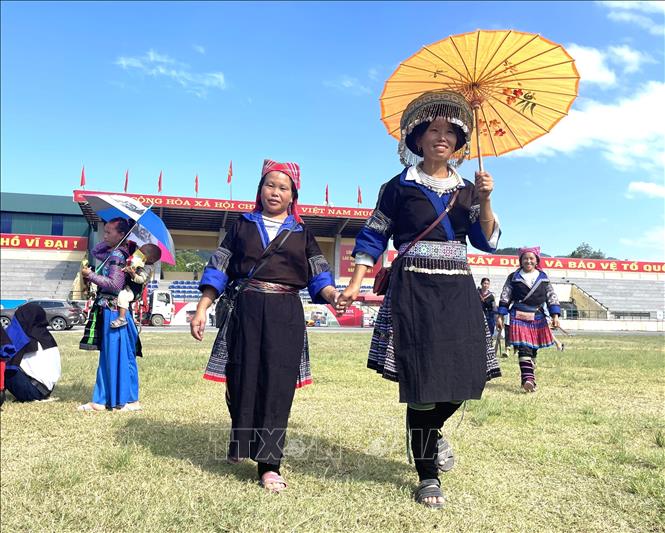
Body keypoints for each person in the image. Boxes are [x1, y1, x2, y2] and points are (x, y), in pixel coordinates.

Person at [337, 90, 502, 509]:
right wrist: (356, 281)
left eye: (449, 131)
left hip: (458, 290)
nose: (441, 137)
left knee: (466, 376)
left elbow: (486, 241)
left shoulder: (468, 190)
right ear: (417, 139)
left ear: (460, 144)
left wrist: (486, 199)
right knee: (421, 383)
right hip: (413, 289)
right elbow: (373, 235)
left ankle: (434, 434)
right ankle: (428, 475)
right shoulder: (397, 187)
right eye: (432, 130)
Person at [190, 159, 338, 493]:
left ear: (293, 195)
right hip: (246, 309)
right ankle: (242, 444)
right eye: (269, 185)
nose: (275, 191)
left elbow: (320, 275)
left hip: (285, 314)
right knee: (241, 378)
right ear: (260, 189)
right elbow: (219, 267)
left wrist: (332, 295)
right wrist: (202, 307)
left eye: (283, 187)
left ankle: (269, 465)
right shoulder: (242, 225)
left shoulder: (302, 233)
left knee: (277, 386)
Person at [78, 217, 142, 412]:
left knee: (113, 356)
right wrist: (110, 241)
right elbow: (97, 251)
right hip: (116, 311)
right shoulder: (118, 252)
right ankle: (130, 400)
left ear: (121, 235)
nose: (104, 235)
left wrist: (91, 276)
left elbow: (114, 285)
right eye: (104, 231)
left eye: (108, 232)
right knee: (123, 355)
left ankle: (107, 400)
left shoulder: (117, 255)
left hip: (112, 311)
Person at [496, 246, 561, 392]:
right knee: (524, 347)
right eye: (525, 258)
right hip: (518, 315)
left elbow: (551, 296)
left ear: (537, 260)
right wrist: (500, 315)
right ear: (521, 260)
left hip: (538, 316)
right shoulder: (513, 277)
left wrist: (555, 315)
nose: (528, 261)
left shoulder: (543, 277)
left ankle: (528, 377)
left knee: (533, 349)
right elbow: (505, 296)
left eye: (531, 258)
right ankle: (528, 379)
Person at [1, 303, 61, 403]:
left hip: (32, 391)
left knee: (2, 362)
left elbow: (7, 360)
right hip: (45, 390)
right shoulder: (45, 336)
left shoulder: (27, 339)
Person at [110, 243, 162, 328]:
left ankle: (121, 319)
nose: (138, 254)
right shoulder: (140, 262)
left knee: (123, 296)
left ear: (151, 259)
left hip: (135, 290)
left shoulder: (147, 268)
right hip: (129, 285)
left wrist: (132, 273)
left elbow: (140, 280)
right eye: (139, 252)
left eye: (142, 254)